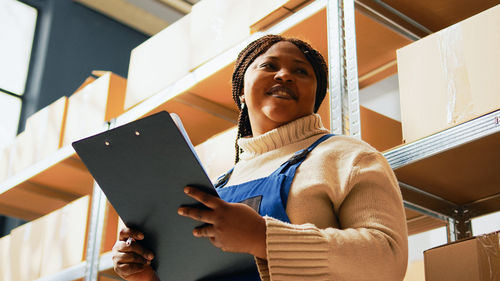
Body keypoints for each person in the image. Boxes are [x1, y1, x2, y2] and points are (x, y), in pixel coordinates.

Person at [112, 34, 408, 281]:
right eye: (269, 65)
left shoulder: (349, 157)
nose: (285, 75)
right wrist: (150, 274)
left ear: (315, 95)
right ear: (241, 90)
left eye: (301, 71)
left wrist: (264, 236)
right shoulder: (218, 183)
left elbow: (388, 259)